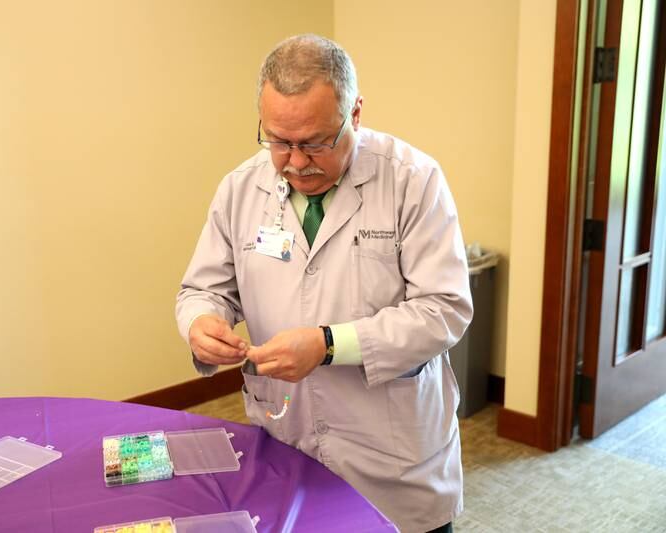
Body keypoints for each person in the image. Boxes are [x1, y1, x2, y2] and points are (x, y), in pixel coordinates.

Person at [176, 34, 472, 533]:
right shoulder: (239, 188)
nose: (295, 161)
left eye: (315, 142)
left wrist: (329, 344)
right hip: (285, 441)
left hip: (393, 459)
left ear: (354, 114)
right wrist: (203, 323)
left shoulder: (413, 181)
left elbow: (444, 309)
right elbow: (203, 290)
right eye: (278, 140)